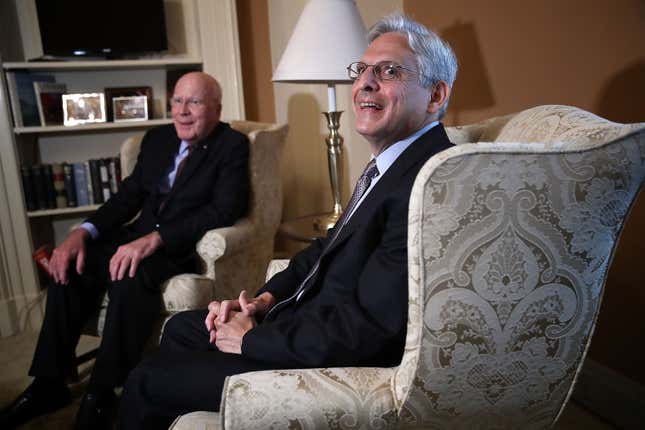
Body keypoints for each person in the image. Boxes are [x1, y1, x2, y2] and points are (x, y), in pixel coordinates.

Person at [119, 13, 458, 429]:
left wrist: (252, 338)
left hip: (331, 363)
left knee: (147, 379)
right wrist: (262, 303)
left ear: (435, 95)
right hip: (305, 323)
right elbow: (324, 251)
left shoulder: (427, 182)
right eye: (362, 70)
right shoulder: (391, 166)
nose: (365, 83)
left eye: (388, 71)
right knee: (184, 330)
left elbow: (370, 329)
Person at [0, 72, 250, 430]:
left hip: (174, 245)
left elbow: (223, 209)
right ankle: (48, 383)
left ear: (216, 108)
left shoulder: (232, 145)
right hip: (133, 236)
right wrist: (82, 232)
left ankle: (103, 391)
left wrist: (156, 238)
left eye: (194, 102)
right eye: (177, 101)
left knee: (132, 277)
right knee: (72, 265)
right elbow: (128, 196)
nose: (182, 111)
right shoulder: (158, 139)